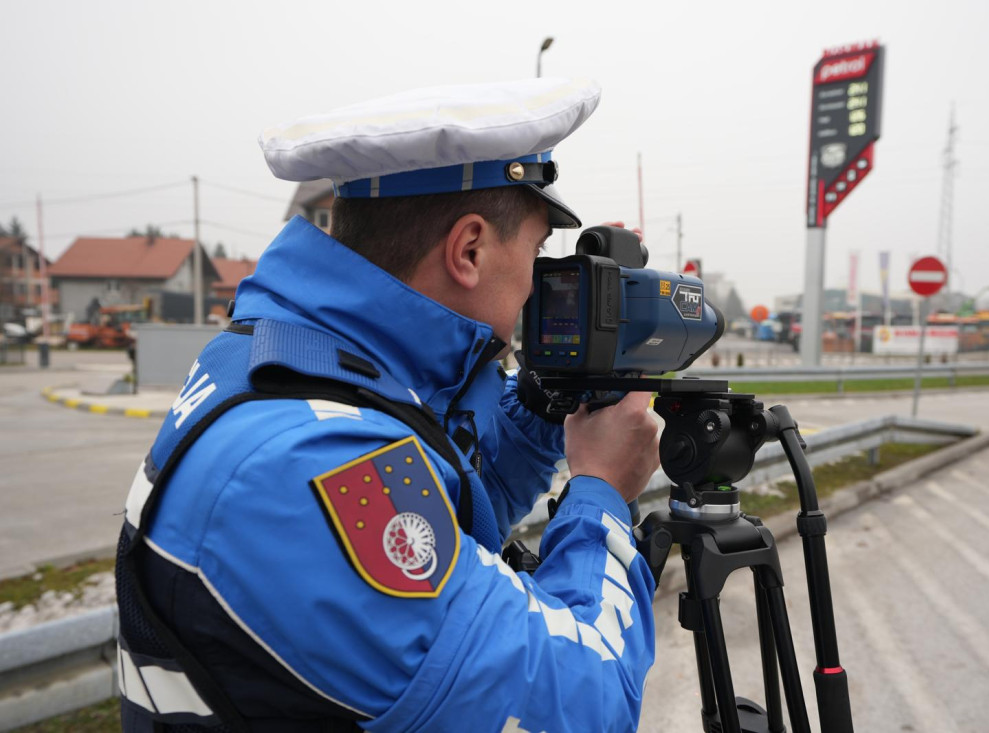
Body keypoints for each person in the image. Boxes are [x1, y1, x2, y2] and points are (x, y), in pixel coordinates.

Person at [115, 77, 661, 732]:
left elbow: (448, 494)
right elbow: (582, 699)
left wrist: (543, 407)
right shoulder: (300, 466)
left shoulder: (294, 357)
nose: (541, 283)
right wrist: (602, 492)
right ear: (469, 249)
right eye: (538, 252)